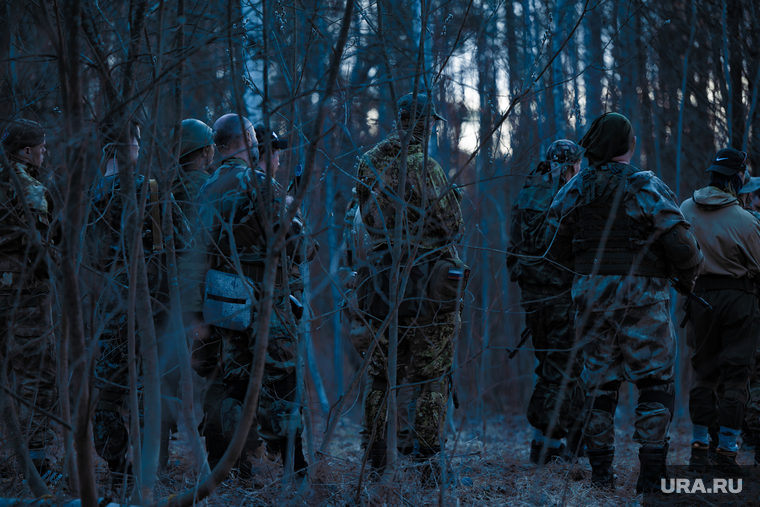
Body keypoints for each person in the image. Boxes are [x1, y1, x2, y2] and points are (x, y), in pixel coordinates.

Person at [545, 112, 703, 492]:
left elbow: (553, 239)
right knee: (654, 381)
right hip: (642, 296)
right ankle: (651, 477)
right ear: (627, 145)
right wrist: (687, 273)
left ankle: (601, 477)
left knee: (599, 383)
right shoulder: (643, 184)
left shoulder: (575, 186)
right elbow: (682, 243)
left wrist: (586, 275)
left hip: (591, 296)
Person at [355, 92, 466, 480]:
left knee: (382, 374)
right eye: (432, 123)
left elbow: (367, 221)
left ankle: (376, 462)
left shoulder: (368, 163)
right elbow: (453, 226)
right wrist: (452, 199)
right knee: (431, 374)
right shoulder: (426, 165)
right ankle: (428, 467)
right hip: (425, 283)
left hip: (379, 280)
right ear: (425, 124)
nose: (435, 129)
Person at [199, 114, 315, 478]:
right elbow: (300, 247)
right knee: (282, 381)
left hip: (220, 301)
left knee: (232, 381)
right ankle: (294, 470)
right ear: (248, 140)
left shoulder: (207, 187)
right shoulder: (260, 184)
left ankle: (228, 469)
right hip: (265, 302)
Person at [88, 116, 192, 486]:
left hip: (106, 301)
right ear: (130, 145)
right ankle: (153, 467)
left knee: (110, 387)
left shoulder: (90, 194)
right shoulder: (148, 189)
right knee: (154, 382)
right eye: (137, 140)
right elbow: (181, 241)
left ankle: (116, 468)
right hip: (148, 300)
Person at [680, 148, 760, 476]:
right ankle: (727, 456)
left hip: (699, 298)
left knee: (703, 373)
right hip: (738, 300)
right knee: (736, 377)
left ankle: (699, 453)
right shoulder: (745, 220)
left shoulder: (685, 209)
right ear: (737, 177)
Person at [507, 140, 586, 464]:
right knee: (563, 371)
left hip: (532, 295)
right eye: (577, 165)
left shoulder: (528, 192)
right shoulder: (568, 196)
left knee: (548, 367)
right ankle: (549, 446)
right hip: (559, 295)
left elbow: (513, 246)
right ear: (570, 166)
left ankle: (544, 442)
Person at [0, 119, 58, 477]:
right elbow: (39, 251)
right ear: (26, 152)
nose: (44, 152)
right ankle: (36, 464)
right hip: (24, 297)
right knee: (37, 375)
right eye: (41, 147)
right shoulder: (30, 188)